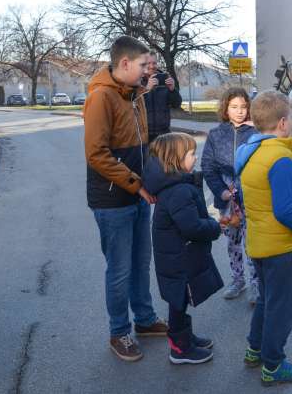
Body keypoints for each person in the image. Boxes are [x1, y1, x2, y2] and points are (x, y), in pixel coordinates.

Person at [84, 35, 167, 362]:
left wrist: (155, 177)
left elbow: (142, 146)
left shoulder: (135, 95)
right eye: (144, 65)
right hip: (111, 200)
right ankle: (119, 331)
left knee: (140, 263)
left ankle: (144, 320)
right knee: (119, 269)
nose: (149, 70)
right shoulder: (101, 97)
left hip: (137, 194)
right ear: (124, 64)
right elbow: (96, 154)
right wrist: (136, 184)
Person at [234, 90, 292, 386]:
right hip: (280, 247)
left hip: (258, 243)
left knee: (268, 302)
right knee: (281, 308)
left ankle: (254, 349)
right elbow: (284, 210)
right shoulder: (281, 159)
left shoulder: (249, 152)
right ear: (283, 123)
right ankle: (274, 364)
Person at [143, 132, 224, 365]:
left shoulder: (174, 186)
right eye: (191, 154)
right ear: (175, 160)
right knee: (178, 302)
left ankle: (184, 337)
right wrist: (215, 226)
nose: (195, 157)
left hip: (176, 256)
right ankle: (180, 348)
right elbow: (192, 227)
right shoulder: (178, 191)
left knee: (180, 301)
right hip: (179, 259)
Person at [201, 87, 259, 302]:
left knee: (251, 242)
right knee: (232, 242)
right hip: (226, 199)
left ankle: (256, 284)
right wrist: (222, 191)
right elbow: (208, 166)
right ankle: (238, 279)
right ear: (225, 108)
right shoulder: (216, 135)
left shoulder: (256, 133)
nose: (240, 111)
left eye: (244, 107)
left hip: (250, 196)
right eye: (234, 107)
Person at [142, 54, 182, 143]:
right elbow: (134, 105)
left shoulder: (164, 80)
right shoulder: (137, 81)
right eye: (148, 63)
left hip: (164, 135)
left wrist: (172, 90)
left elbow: (177, 104)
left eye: (154, 63)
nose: (152, 66)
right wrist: (146, 89)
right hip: (143, 135)